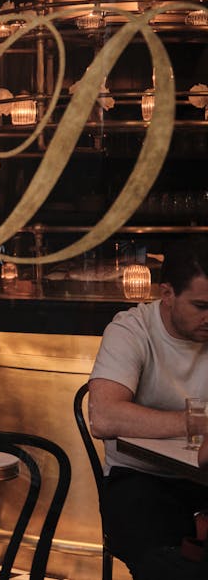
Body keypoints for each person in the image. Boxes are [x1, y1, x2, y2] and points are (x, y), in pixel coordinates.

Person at [88, 238, 208, 580]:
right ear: (167, 294)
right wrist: (197, 422)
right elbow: (104, 417)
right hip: (140, 480)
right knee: (171, 567)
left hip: (203, 479)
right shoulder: (131, 329)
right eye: (200, 305)